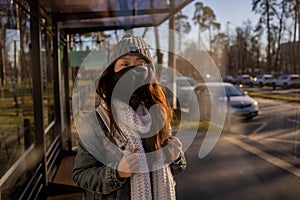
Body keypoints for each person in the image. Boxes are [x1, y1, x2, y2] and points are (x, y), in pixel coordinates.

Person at [72, 33, 186, 200]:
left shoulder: (157, 113)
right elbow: (80, 174)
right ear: (112, 72)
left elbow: (175, 168)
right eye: (124, 63)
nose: (133, 70)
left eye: (140, 64)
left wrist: (176, 156)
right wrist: (116, 173)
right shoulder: (96, 121)